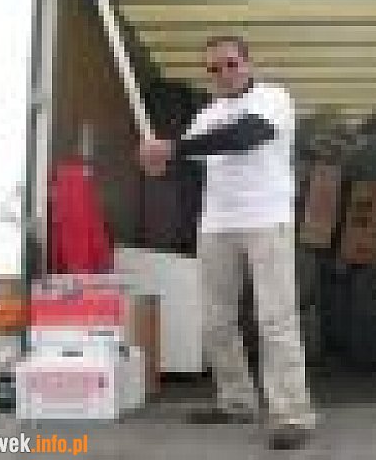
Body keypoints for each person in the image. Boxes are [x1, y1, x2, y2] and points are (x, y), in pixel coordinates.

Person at [138, 36, 317, 449]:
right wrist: (158, 163)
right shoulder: (205, 116)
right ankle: (237, 401)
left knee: (276, 320)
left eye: (230, 64)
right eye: (213, 69)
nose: (223, 73)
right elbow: (186, 165)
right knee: (216, 320)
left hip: (267, 221)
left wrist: (174, 147)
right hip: (217, 225)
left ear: (248, 64)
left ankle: (293, 415)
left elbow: (247, 136)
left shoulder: (273, 99)